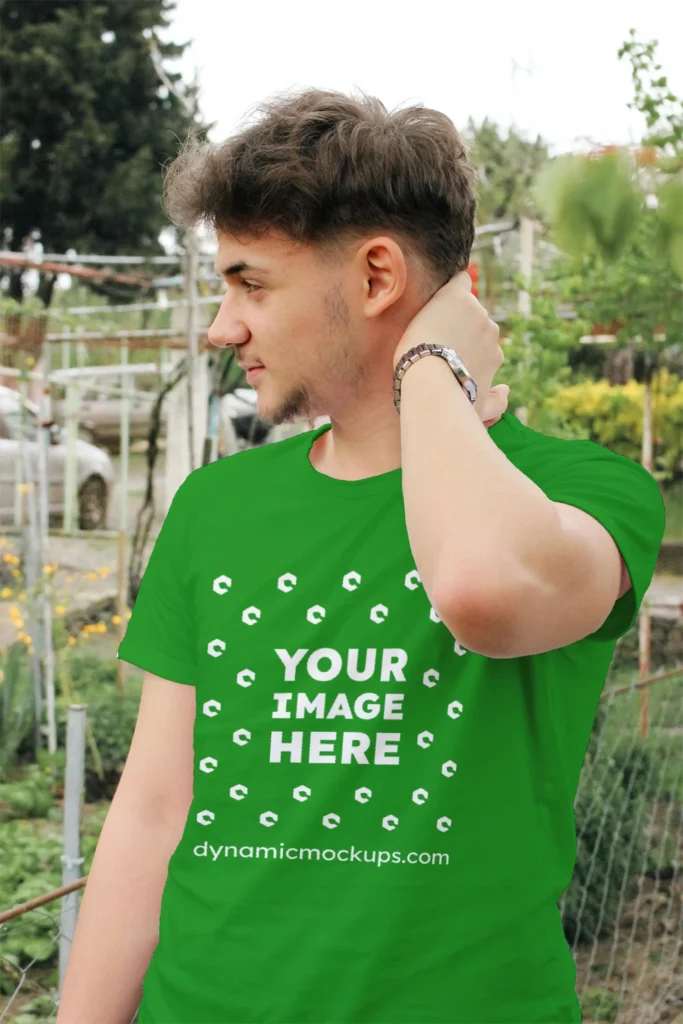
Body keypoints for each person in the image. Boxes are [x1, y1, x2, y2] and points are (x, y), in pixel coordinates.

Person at [56, 89, 665, 1024]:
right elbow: (151, 811)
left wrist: (428, 370)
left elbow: (477, 586)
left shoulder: (585, 490)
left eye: (252, 284)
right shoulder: (217, 505)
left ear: (377, 277)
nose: (224, 328)